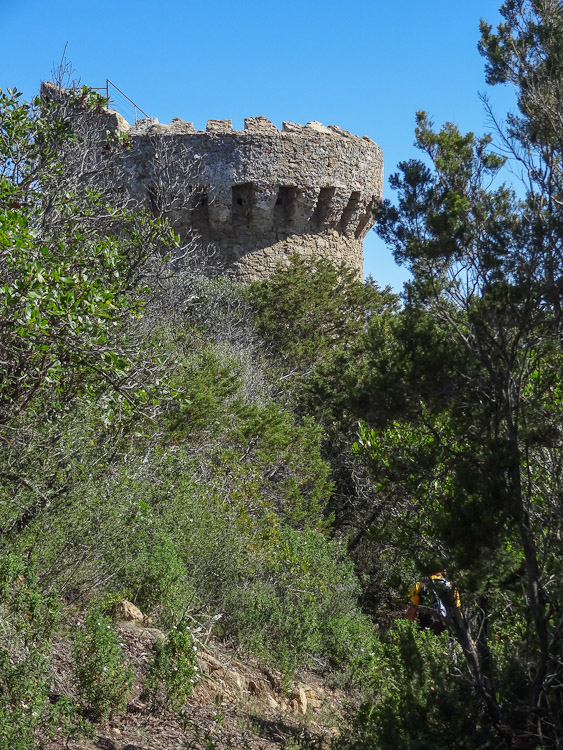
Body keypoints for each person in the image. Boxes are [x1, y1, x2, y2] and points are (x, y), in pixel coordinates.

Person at [406, 570, 460, 635]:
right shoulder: (451, 587)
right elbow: (458, 613)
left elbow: (411, 612)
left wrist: (404, 629)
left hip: (426, 635)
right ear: (444, 571)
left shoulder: (420, 586)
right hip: (447, 635)